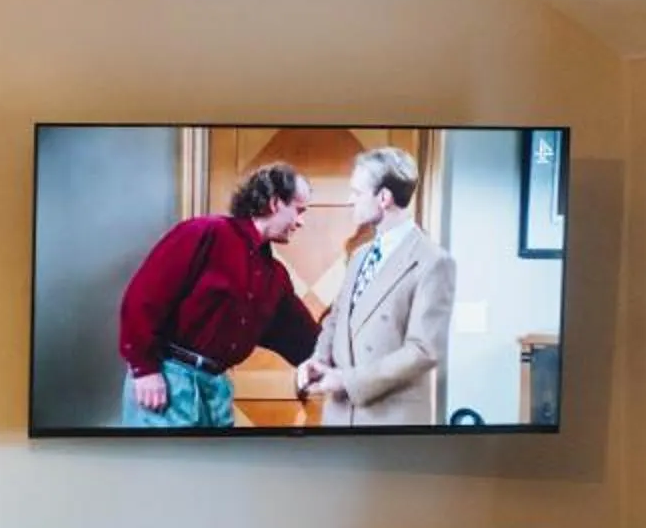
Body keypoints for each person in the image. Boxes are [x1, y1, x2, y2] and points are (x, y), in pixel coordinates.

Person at [118, 163, 320, 428]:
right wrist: (144, 370)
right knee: (160, 469)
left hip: (216, 390)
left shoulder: (275, 276)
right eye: (299, 210)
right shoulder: (205, 233)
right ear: (274, 203)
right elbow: (143, 297)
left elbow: (302, 336)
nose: (300, 222)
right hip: (167, 379)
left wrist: (341, 359)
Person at [295, 146, 455, 427]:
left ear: (384, 198)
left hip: (389, 422)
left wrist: (346, 380)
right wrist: (318, 361)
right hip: (340, 418)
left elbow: (424, 351)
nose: (349, 201)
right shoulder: (359, 256)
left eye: (356, 193)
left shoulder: (433, 261)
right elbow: (335, 320)